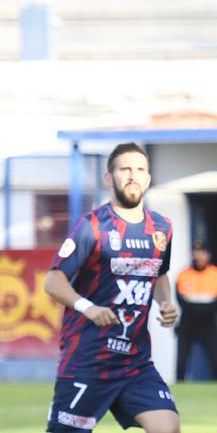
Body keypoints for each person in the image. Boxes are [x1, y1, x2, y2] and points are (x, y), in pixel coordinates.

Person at [42, 142, 181, 433]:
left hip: (135, 363)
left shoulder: (161, 228)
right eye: (125, 169)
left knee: (167, 427)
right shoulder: (92, 226)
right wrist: (88, 308)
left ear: (149, 177)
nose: (133, 175)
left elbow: (160, 273)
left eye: (140, 169)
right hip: (88, 361)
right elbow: (53, 280)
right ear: (109, 178)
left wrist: (167, 303)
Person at [175, 240, 217, 381]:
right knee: (181, 363)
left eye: (202, 253)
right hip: (188, 321)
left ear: (208, 255)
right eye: (196, 253)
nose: (199, 256)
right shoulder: (183, 275)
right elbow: (181, 300)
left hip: (208, 322)